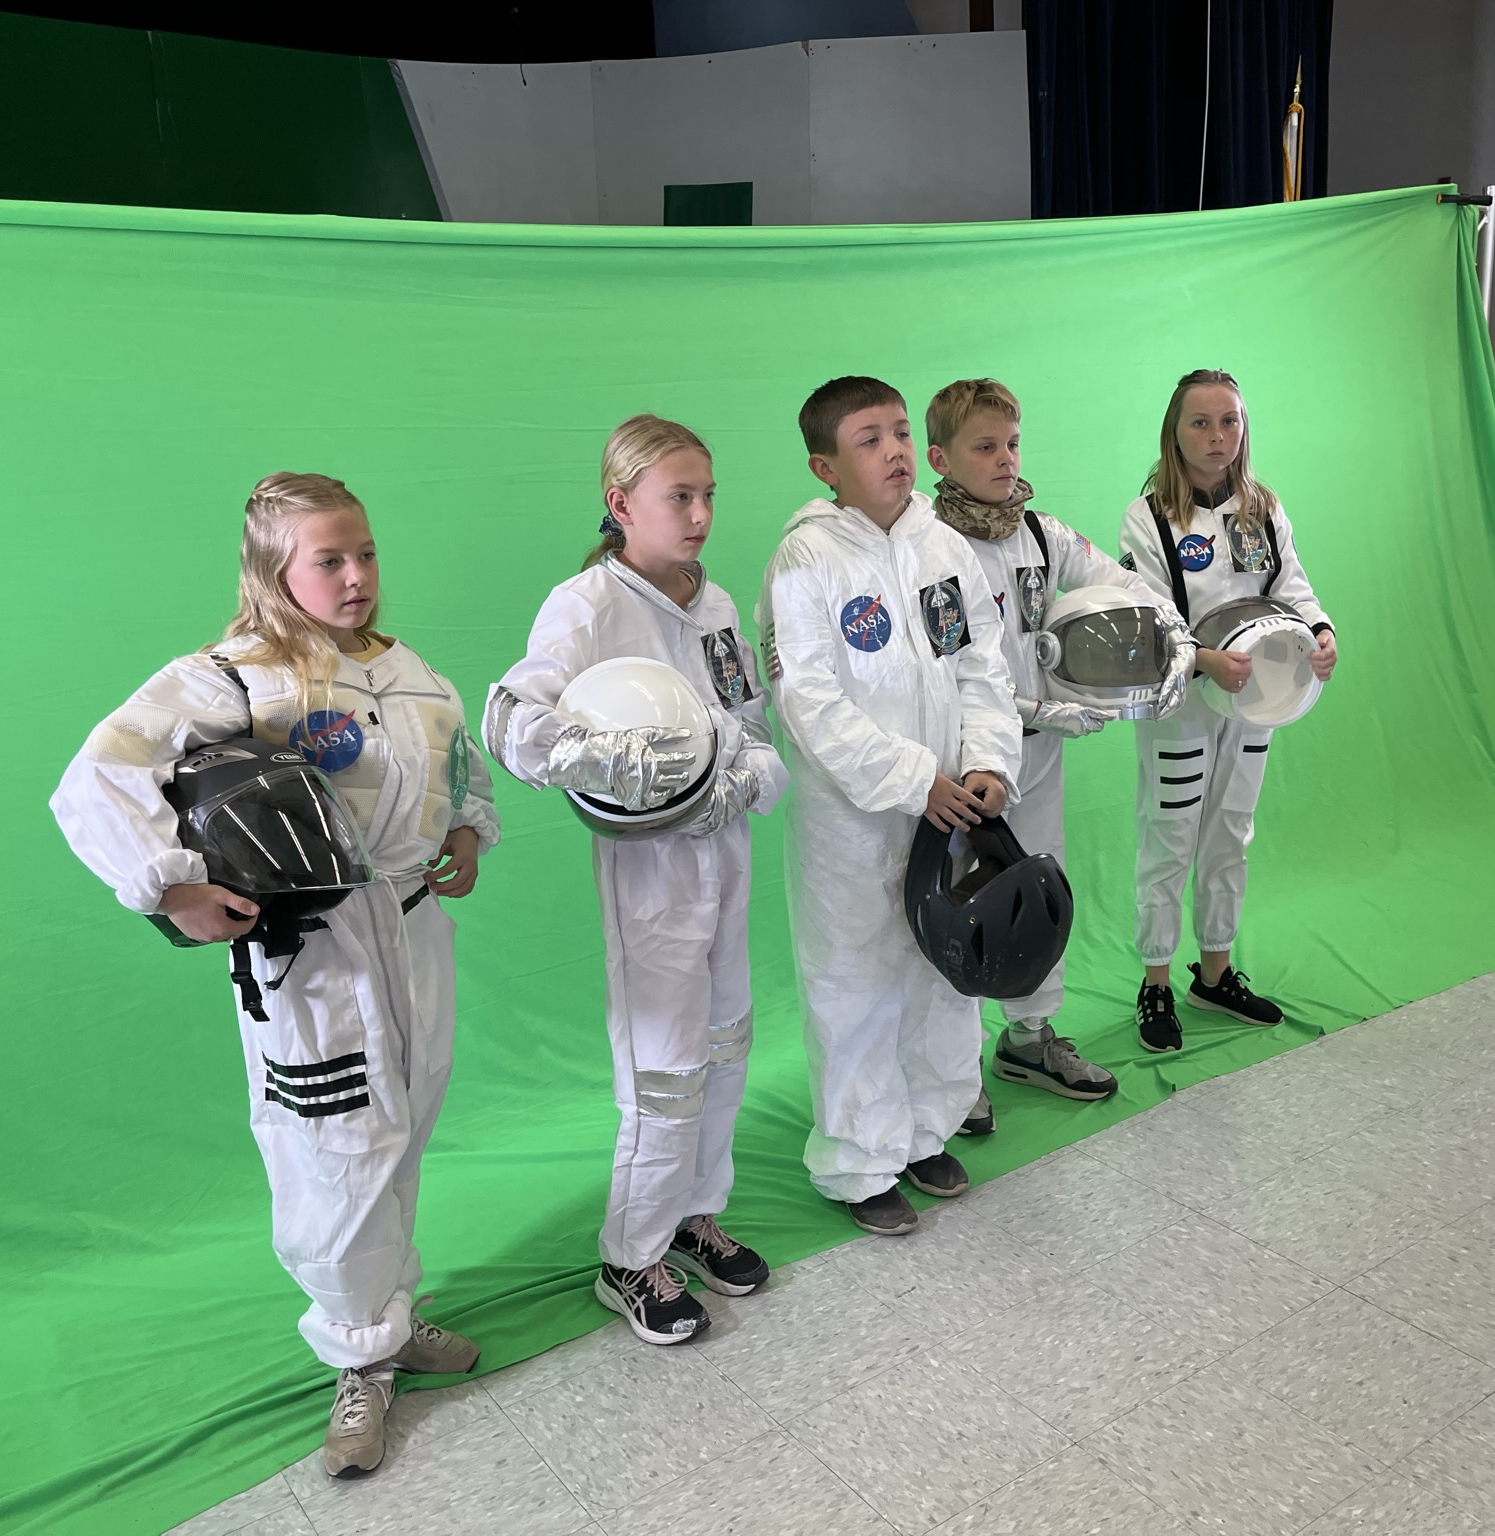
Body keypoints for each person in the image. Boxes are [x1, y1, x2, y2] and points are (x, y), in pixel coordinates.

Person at [51, 473, 499, 1478]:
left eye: (365, 553)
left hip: (411, 925)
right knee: (332, 1147)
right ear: (272, 570)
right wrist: (170, 886)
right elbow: (101, 771)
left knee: (404, 1125)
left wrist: (467, 829)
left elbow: (456, 764)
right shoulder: (240, 677)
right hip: (311, 947)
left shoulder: (412, 673)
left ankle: (389, 1314)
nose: (356, 576)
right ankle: (357, 1357)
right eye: (327, 560)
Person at [482, 415, 786, 1344]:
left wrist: (744, 779)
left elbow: (753, 728)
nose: (699, 515)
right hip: (649, 870)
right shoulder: (586, 607)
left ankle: (696, 1212)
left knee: (726, 1042)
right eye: (677, 497)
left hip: (724, 850)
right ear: (620, 504)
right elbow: (512, 721)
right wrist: (608, 762)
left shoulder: (715, 605)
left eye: (707, 495)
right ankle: (631, 1257)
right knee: (664, 1067)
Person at [758, 375, 1021, 1235]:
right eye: (869, 439)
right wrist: (915, 780)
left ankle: (925, 1131)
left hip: (953, 813)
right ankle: (861, 1162)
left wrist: (986, 763)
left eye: (901, 432)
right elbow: (809, 703)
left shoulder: (941, 546)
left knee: (943, 974)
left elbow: (982, 667)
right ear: (825, 467)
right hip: (856, 822)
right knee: (858, 984)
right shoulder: (806, 561)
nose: (896, 451)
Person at [923, 377, 1191, 1135]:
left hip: (1039, 754)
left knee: (1037, 892)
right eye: (985, 447)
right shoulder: (926, 549)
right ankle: (952, 1069)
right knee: (958, 906)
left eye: (1012, 444)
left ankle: (1029, 1038)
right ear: (941, 459)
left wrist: (1175, 640)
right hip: (959, 765)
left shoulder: (1040, 536)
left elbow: (1128, 586)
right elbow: (942, 673)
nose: (1005, 459)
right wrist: (1035, 710)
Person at [1119, 370, 1336, 1051]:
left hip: (1256, 699)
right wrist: (1203, 658)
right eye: (1201, 422)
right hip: (1182, 699)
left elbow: (1292, 583)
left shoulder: (1261, 509)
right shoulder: (1150, 516)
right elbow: (1149, 612)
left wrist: (1321, 631)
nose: (1218, 437)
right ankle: (1156, 981)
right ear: (1175, 431)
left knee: (1231, 832)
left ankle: (1214, 972)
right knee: (1170, 835)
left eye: (1230, 421)